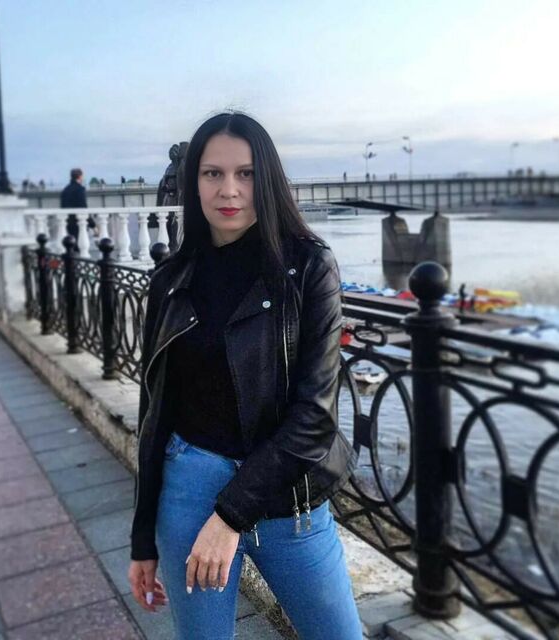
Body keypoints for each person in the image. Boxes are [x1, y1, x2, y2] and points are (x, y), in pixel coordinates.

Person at [127, 112, 362, 640]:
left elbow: (315, 416)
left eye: (246, 173)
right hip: (190, 488)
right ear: (193, 182)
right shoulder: (171, 279)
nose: (228, 189)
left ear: (268, 178)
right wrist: (142, 539)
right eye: (212, 173)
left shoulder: (307, 266)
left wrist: (230, 517)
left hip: (287, 497)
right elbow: (154, 414)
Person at [60, 168, 95, 241]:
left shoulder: (66, 190)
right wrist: (92, 224)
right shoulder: (80, 189)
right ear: (80, 176)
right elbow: (83, 207)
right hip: (79, 222)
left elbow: (63, 206)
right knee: (82, 243)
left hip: (69, 222)